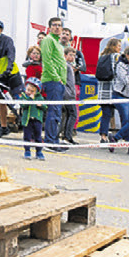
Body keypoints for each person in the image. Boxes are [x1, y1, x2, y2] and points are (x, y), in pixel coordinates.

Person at [38, 18, 69, 152]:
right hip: (52, 80)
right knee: (53, 111)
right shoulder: (48, 40)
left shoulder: (57, 42)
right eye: (54, 25)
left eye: (59, 25)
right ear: (49, 27)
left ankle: (54, 140)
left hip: (58, 82)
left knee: (56, 112)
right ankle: (50, 142)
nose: (57, 27)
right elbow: (47, 61)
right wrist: (57, 78)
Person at [58, 23, 86, 144]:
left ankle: (65, 136)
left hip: (70, 93)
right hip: (67, 93)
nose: (73, 57)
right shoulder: (65, 65)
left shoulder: (71, 65)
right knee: (70, 114)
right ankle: (66, 136)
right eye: (71, 55)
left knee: (69, 114)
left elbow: (83, 67)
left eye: (74, 55)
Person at [96, 37, 123, 143]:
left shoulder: (102, 56)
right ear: (113, 46)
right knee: (123, 113)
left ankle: (103, 136)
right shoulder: (116, 56)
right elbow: (119, 72)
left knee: (106, 114)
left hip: (103, 91)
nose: (120, 48)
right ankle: (121, 135)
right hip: (114, 90)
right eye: (118, 46)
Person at [21, 78, 48, 160]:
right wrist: (30, 99)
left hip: (37, 120)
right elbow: (23, 105)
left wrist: (41, 105)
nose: (29, 92)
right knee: (27, 136)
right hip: (27, 120)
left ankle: (39, 152)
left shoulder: (40, 98)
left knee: (38, 136)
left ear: (37, 91)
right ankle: (27, 151)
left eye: (32, 91)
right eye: (28, 90)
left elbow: (45, 107)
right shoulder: (24, 97)